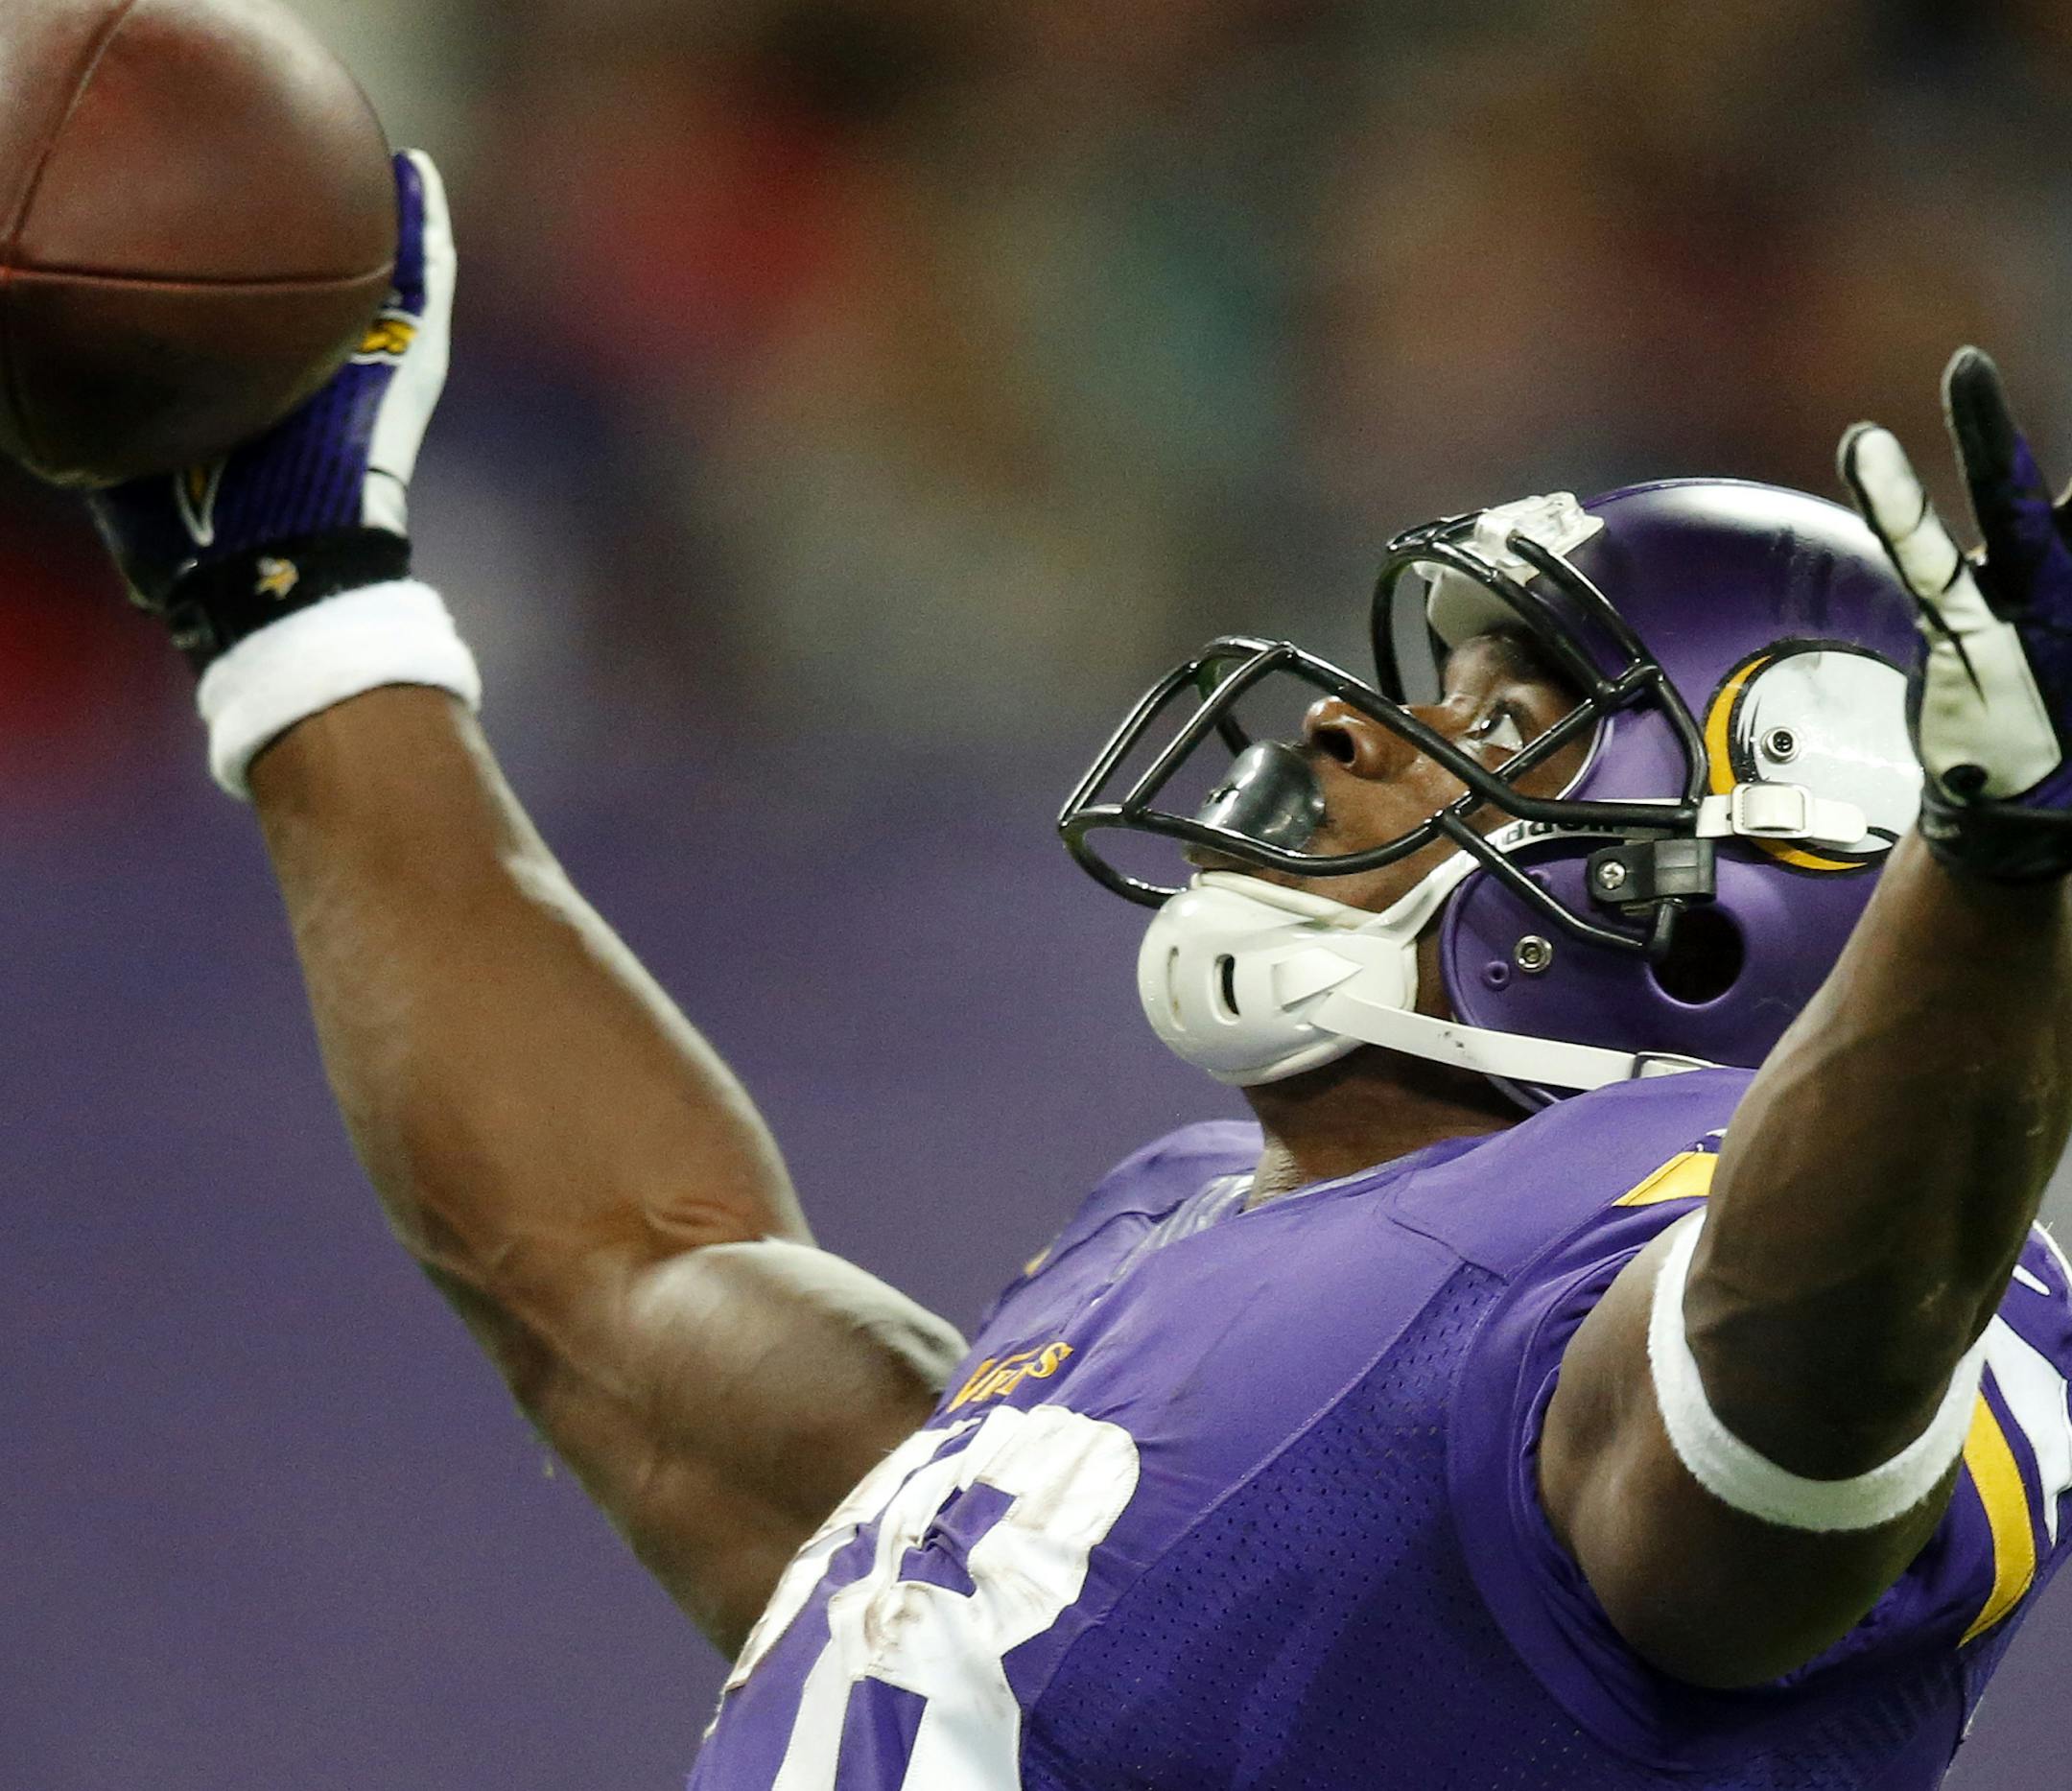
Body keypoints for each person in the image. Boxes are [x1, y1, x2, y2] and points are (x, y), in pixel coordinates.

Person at [86, 154, 2072, 1789]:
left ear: (1738, 884)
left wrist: (1991, 892)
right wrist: (307, 614)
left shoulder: (1746, 1268)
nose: (1347, 739)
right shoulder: (1187, 1238)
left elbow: (1792, 1403)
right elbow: (625, 1277)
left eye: (1513, 713)